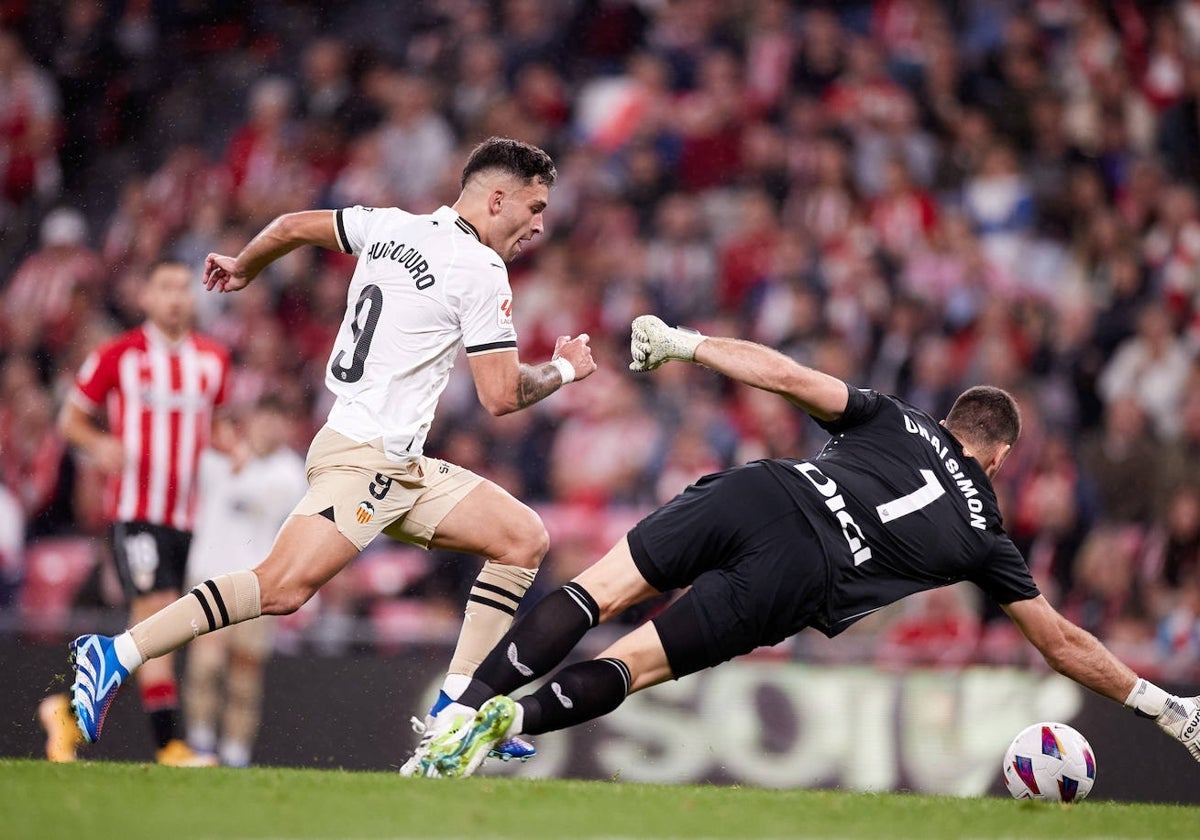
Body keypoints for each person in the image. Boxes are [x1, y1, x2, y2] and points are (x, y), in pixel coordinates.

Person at [415, 315, 1200, 779]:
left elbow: (789, 376)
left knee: (593, 592)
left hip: (765, 492)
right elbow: (1059, 642)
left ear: (954, 422)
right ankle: (504, 728)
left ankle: (462, 707)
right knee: (633, 664)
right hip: (798, 574)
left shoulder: (895, 417)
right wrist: (1161, 705)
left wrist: (686, 343)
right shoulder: (985, 535)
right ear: (997, 458)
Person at [66, 137, 597, 773]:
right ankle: (116, 653)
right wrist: (565, 367)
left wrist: (245, 265)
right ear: (498, 198)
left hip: (389, 458)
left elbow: (292, 225)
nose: (539, 225)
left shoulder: (387, 225)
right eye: (534, 207)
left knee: (521, 538)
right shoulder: (479, 270)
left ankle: (455, 708)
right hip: (367, 462)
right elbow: (502, 396)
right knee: (282, 587)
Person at [43, 259, 232, 766]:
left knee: (146, 631)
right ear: (145, 297)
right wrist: (99, 445)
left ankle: (64, 710)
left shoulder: (213, 360)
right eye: (164, 287)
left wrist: (230, 445)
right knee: (160, 611)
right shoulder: (118, 355)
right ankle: (169, 742)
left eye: (182, 288)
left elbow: (207, 425)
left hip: (185, 518)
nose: (175, 297)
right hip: (135, 512)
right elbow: (71, 421)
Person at [182, 395, 307, 767]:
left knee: (244, 674)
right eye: (263, 418)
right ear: (250, 420)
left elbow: (267, 501)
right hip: (208, 575)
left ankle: (236, 753)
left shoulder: (290, 471)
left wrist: (239, 457)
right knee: (206, 665)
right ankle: (201, 745)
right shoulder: (215, 457)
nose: (269, 428)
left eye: (277, 421)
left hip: (257, 584)